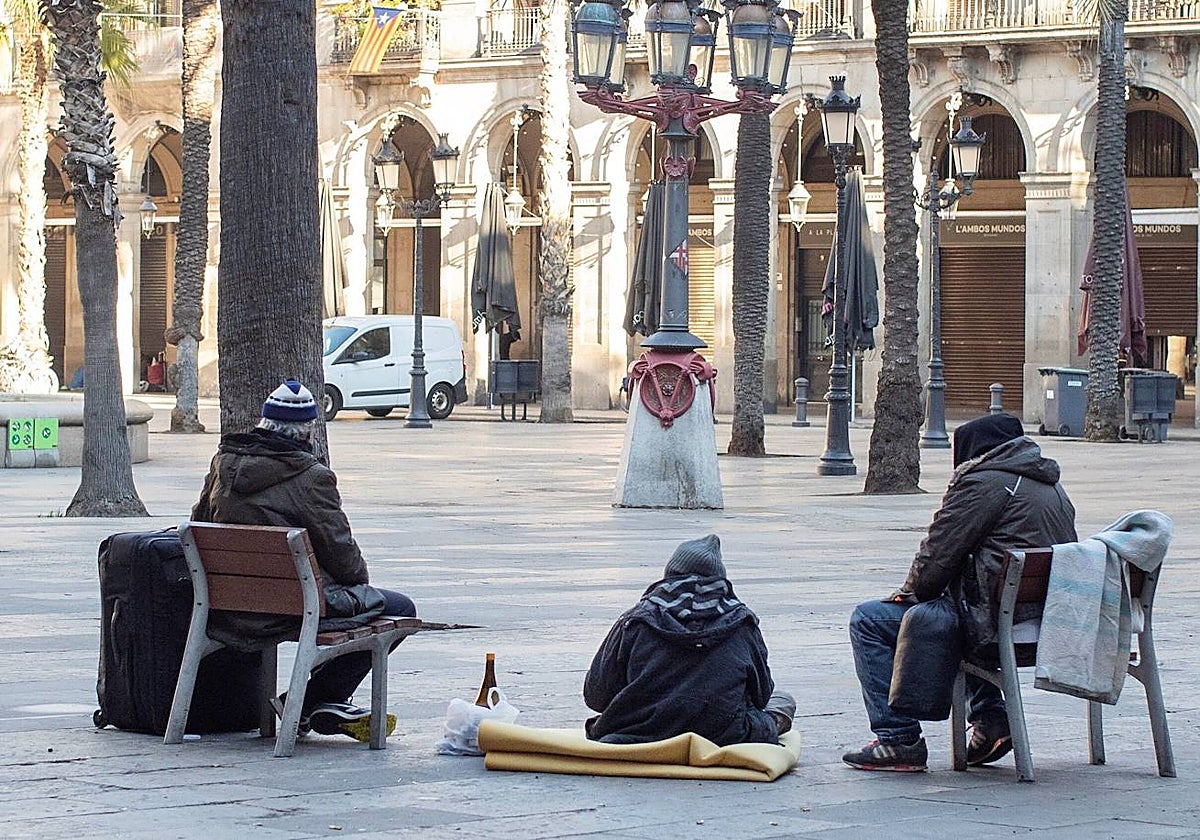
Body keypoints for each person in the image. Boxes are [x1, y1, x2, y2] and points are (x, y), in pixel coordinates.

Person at [842, 413, 1077, 772]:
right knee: (946, 614)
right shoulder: (1051, 486)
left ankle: (898, 739)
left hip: (992, 625)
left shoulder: (984, 482)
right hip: (1045, 622)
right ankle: (991, 719)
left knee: (872, 620)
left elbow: (937, 555)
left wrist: (910, 592)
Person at [191, 379, 416, 742]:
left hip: (224, 606)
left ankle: (314, 702)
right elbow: (345, 559)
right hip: (290, 609)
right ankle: (312, 699)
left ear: (263, 422)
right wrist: (356, 580)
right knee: (400, 609)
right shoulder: (311, 477)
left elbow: (199, 521)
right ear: (308, 431)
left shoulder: (224, 463)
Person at [584, 534, 795, 746]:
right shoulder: (743, 622)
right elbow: (763, 694)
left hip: (641, 730)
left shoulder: (635, 619)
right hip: (726, 733)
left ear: (669, 574)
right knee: (783, 701)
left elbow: (596, 696)